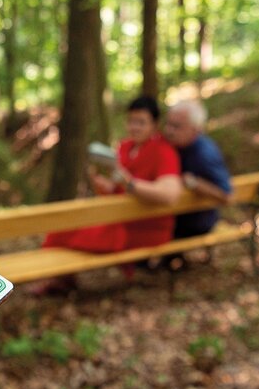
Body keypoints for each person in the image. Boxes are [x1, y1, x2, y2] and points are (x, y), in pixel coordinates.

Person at [32, 96, 181, 293]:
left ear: (154, 125)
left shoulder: (163, 152)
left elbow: (169, 195)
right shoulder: (126, 147)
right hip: (118, 220)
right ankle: (63, 278)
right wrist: (105, 186)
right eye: (131, 121)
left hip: (143, 228)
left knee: (63, 234)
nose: (134, 127)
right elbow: (119, 189)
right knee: (62, 228)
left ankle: (60, 279)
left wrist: (129, 183)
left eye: (141, 122)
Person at [162, 100, 232, 240]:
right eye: (168, 124)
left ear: (195, 129)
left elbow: (226, 196)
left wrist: (194, 183)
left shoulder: (204, 154)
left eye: (177, 126)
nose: (169, 131)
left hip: (193, 224)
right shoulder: (171, 146)